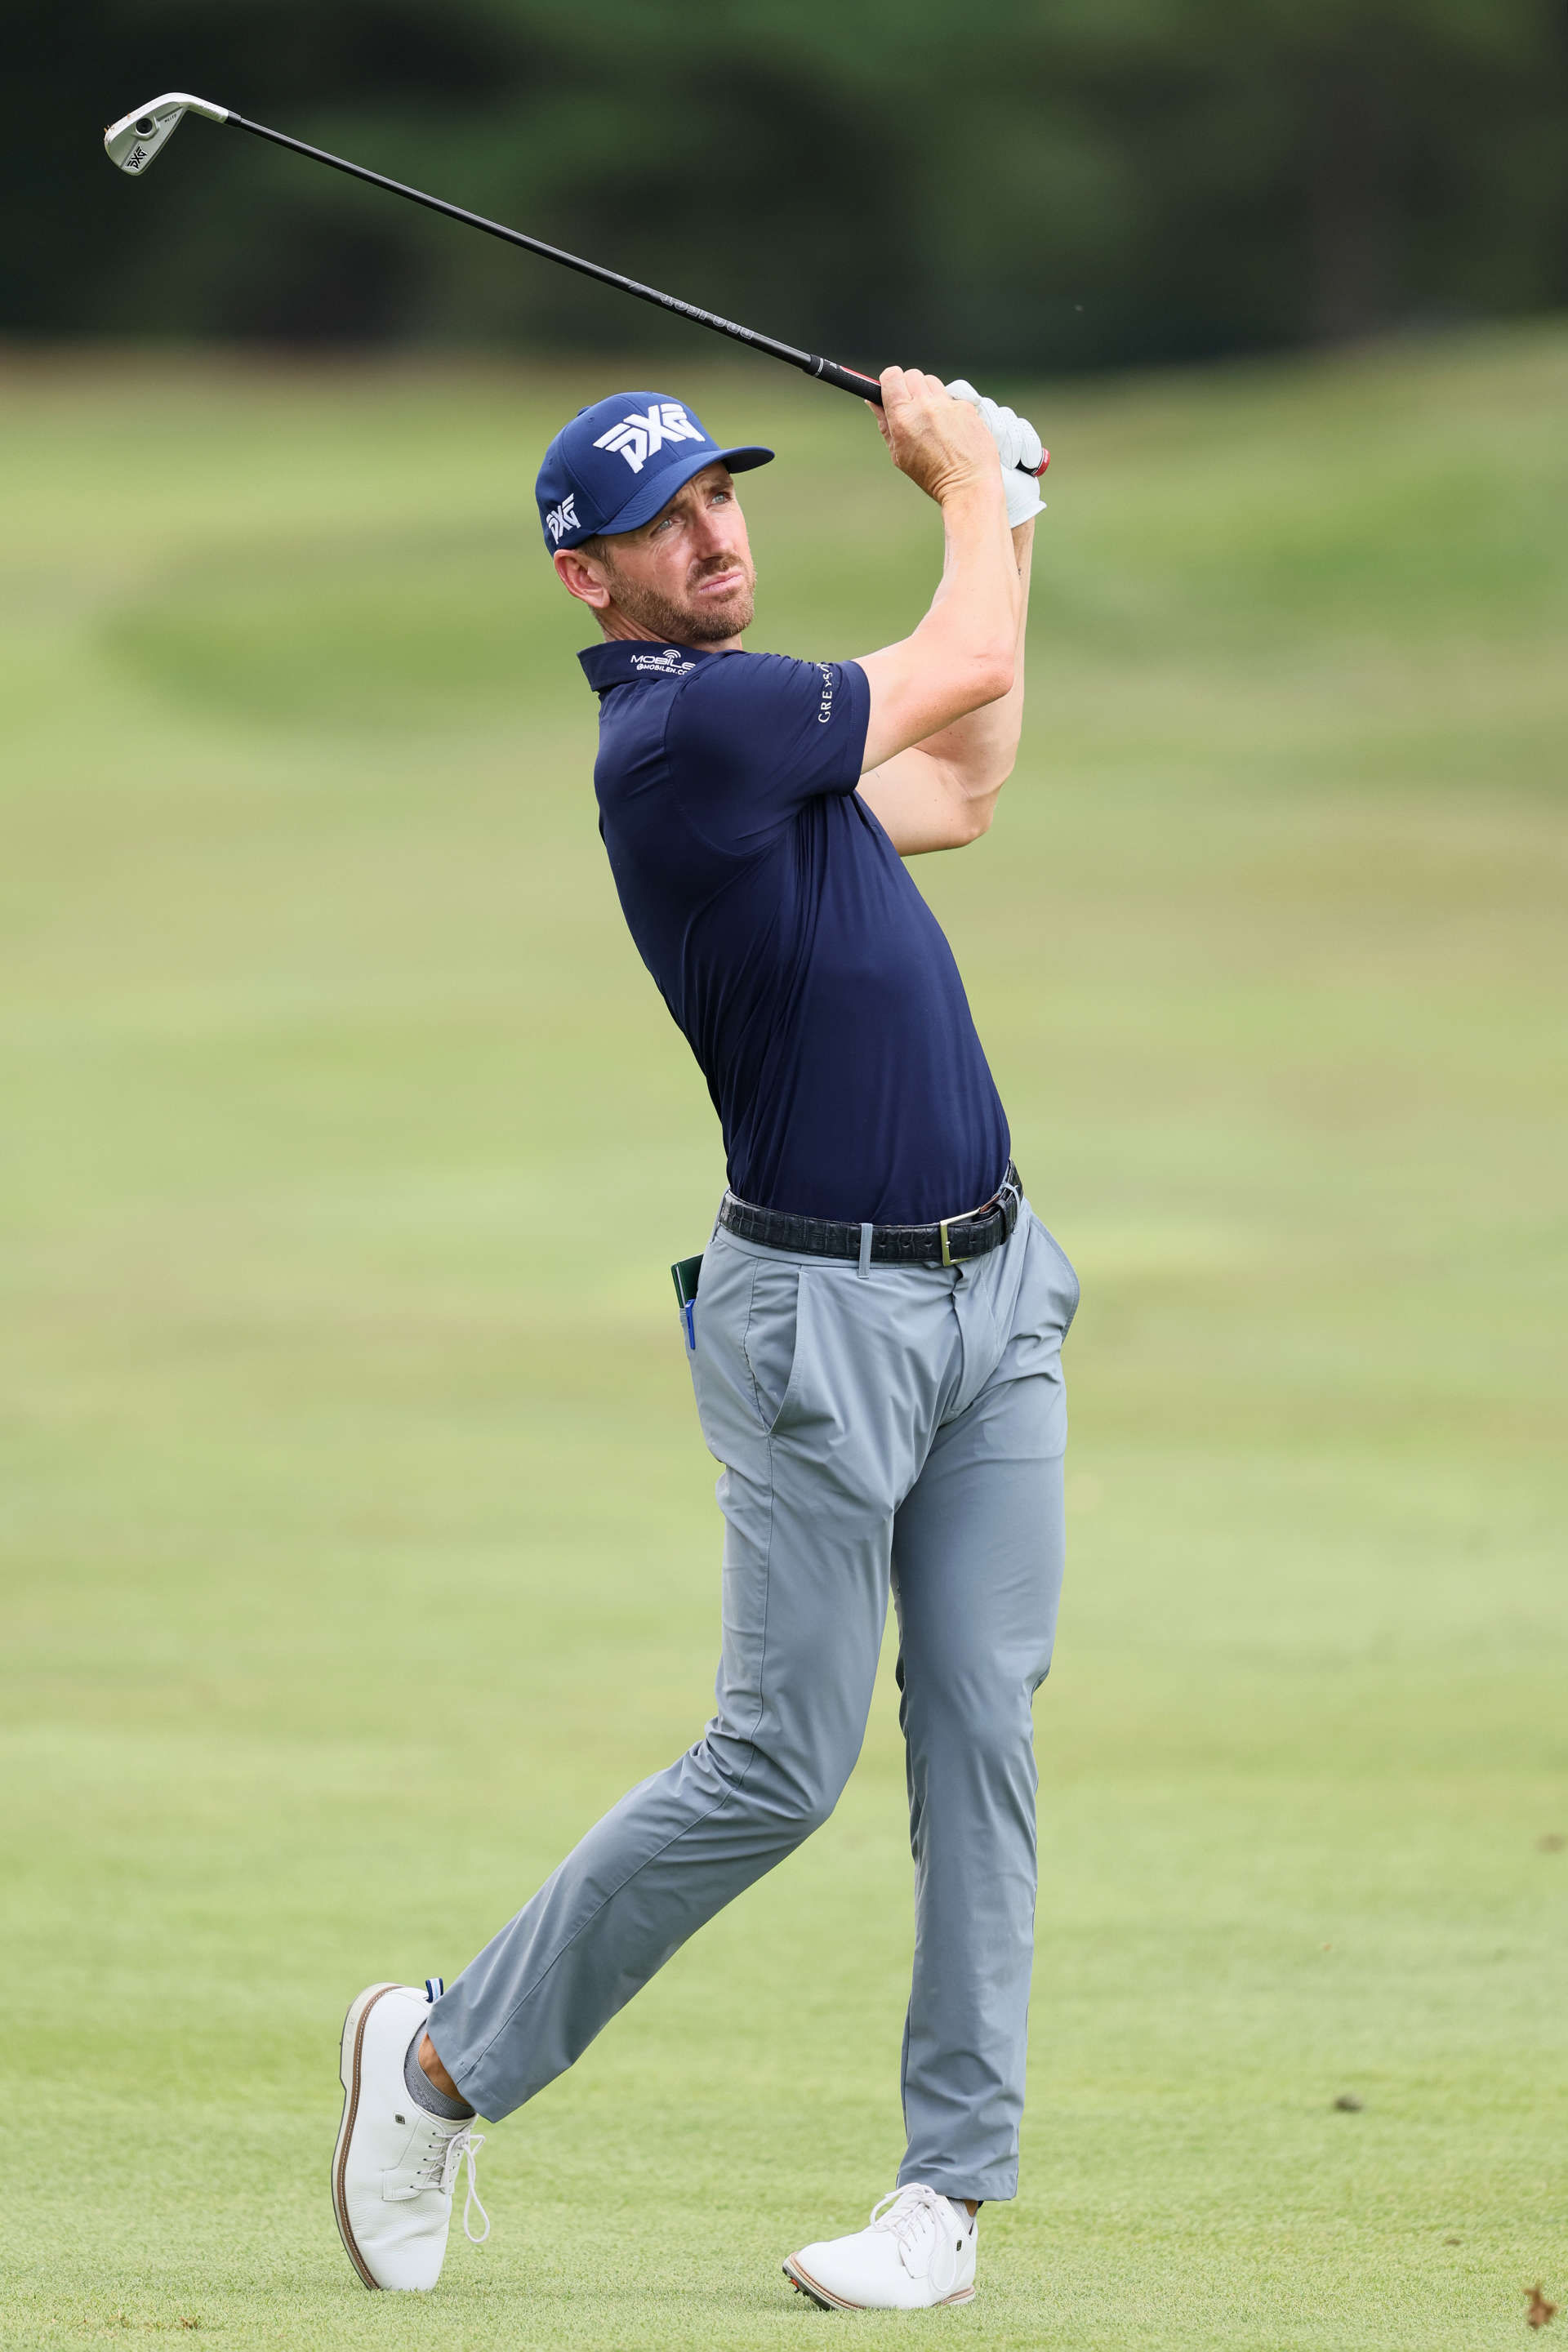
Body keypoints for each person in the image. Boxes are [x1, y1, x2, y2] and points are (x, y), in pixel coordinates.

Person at [330, 369, 1080, 2312]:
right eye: (662, 524)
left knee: (983, 1728)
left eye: (721, 498)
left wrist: (1007, 510)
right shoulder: (685, 737)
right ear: (589, 581)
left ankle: (944, 2202)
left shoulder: (776, 735)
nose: (713, 533)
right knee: (778, 1762)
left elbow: (968, 784)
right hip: (819, 1319)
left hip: (996, 1289)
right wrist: (968, 486)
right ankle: (438, 2065)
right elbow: (967, 651)